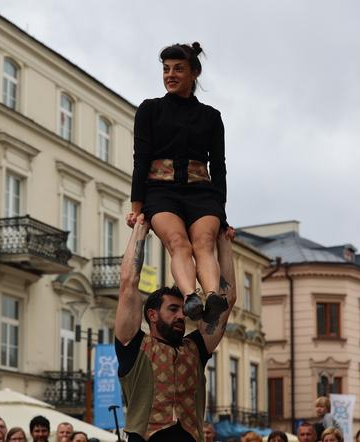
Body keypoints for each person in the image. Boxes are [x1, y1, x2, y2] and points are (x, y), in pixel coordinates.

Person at [127, 41, 230, 327]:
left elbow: (219, 167)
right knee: (178, 242)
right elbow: (141, 160)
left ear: (194, 73)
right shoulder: (150, 110)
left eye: (178, 69)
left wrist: (222, 216)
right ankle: (190, 297)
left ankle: (213, 297)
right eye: (166, 69)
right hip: (161, 192)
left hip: (202, 191)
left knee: (205, 242)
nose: (170, 74)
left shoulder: (211, 117)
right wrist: (137, 208)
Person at [115, 215, 237, 441]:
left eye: (183, 309)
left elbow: (226, 300)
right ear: (152, 315)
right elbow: (128, 283)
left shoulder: (195, 348)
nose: (182, 315)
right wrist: (141, 228)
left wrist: (224, 243)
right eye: (173, 309)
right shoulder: (134, 345)